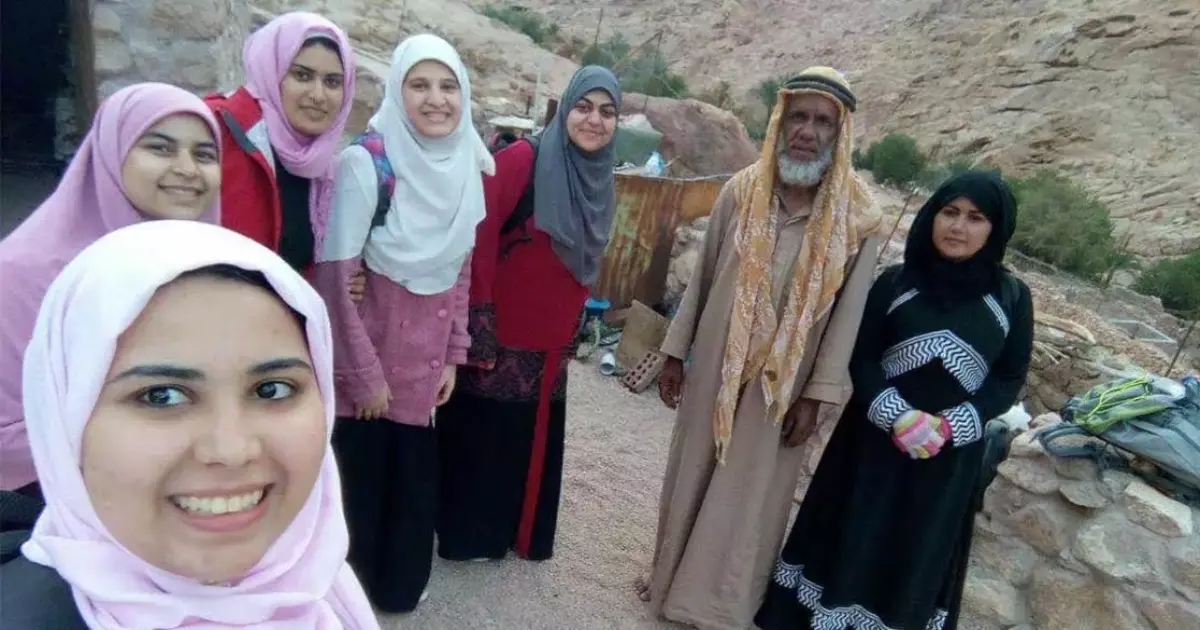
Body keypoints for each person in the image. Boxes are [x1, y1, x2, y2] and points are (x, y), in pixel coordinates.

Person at [0, 220, 380, 629]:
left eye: (272, 389)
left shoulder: (319, 582)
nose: (231, 451)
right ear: (64, 420)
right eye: (161, 396)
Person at [637, 67, 884, 630]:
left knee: (751, 495)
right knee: (692, 472)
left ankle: (720, 605)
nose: (807, 131)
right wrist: (675, 354)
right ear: (780, 120)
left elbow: (848, 317)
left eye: (822, 122)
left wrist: (817, 395)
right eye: (798, 116)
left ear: (840, 133)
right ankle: (667, 580)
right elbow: (702, 280)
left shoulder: (859, 220)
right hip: (715, 366)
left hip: (785, 386)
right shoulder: (742, 190)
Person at [755, 171, 1034, 630]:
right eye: (949, 212)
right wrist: (897, 416)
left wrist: (951, 426)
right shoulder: (896, 282)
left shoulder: (1012, 298)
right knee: (851, 531)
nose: (958, 227)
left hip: (946, 461)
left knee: (916, 549)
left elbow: (1009, 377)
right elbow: (862, 355)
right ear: (932, 215)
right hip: (870, 447)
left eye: (975, 218)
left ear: (996, 228)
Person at [312, 33, 491, 613]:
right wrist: (362, 375)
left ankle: (395, 592)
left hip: (423, 370)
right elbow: (337, 282)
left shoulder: (465, 164)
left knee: (410, 488)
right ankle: (344, 608)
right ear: (396, 90)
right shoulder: (367, 164)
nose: (436, 99)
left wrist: (455, 355)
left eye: (448, 86)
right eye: (419, 85)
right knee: (359, 492)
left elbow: (459, 270)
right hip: (367, 370)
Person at [0, 83, 222, 502]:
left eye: (205, 155)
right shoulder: (27, 272)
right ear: (111, 154)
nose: (187, 169)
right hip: (59, 503)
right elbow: (7, 432)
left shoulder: (206, 265)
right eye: (160, 148)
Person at [436, 66, 621, 562]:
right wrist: (477, 325)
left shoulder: (600, 180)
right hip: (500, 337)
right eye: (584, 107)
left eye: (607, 112)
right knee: (485, 437)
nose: (594, 120)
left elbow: (584, 260)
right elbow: (476, 239)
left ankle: (518, 535)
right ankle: (469, 537)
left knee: (530, 436)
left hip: (551, 342)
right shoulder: (522, 159)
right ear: (564, 110)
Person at [206, 11, 355, 274]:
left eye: (332, 82)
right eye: (302, 76)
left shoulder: (321, 168)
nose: (318, 95)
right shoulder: (216, 129)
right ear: (271, 73)